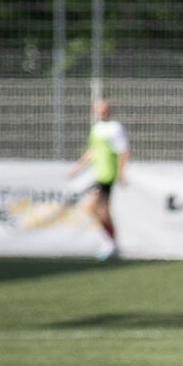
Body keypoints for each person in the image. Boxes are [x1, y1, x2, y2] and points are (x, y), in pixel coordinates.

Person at [69, 98, 129, 261]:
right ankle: (110, 242)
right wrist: (77, 168)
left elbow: (123, 151)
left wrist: (121, 173)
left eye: (103, 109)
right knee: (99, 210)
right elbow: (92, 152)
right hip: (99, 174)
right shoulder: (96, 128)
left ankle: (110, 243)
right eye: (98, 109)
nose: (100, 112)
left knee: (96, 207)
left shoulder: (114, 128)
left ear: (109, 110)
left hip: (108, 175)